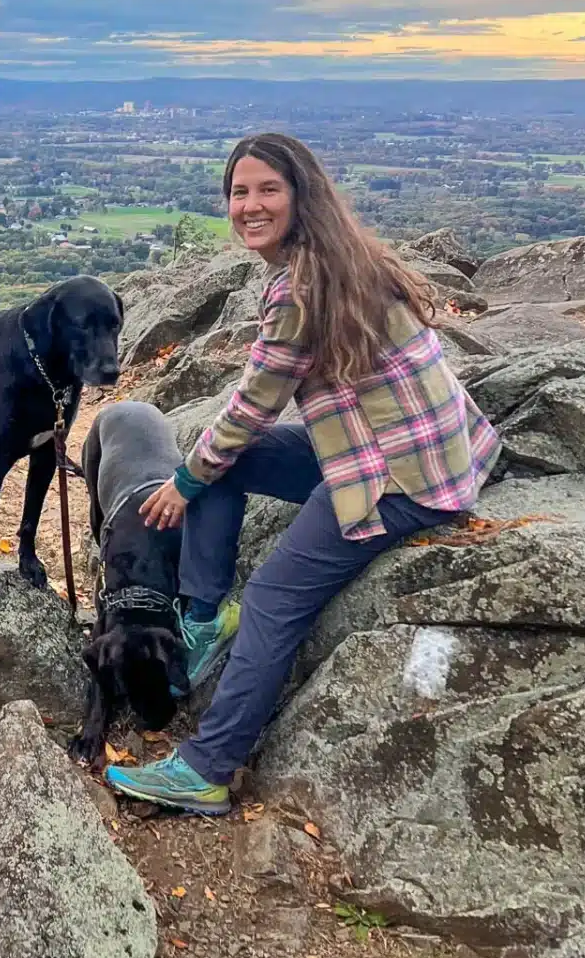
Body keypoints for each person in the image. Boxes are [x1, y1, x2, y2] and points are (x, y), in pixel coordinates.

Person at [105, 132, 500, 817]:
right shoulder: (336, 256)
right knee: (220, 462)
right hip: (404, 447)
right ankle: (202, 615)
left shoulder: (302, 287)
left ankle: (207, 767)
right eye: (239, 192)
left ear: (300, 195)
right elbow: (242, 426)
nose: (250, 205)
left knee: (271, 600)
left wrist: (182, 485)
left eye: (267, 190)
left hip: (399, 477)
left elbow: (254, 404)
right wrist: (201, 471)